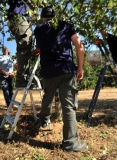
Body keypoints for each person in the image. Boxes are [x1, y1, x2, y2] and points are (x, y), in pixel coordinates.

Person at [32, 6, 87, 152]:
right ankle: (70, 144)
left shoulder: (38, 30)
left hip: (49, 72)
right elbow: (79, 46)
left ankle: (44, 121)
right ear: (54, 16)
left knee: (47, 98)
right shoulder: (65, 25)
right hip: (66, 70)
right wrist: (80, 68)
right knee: (68, 107)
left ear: (42, 17)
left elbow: (41, 48)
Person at [7, 0, 33, 87]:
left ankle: (22, 79)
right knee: (24, 49)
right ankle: (22, 80)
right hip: (20, 18)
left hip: (18, 19)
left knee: (23, 49)